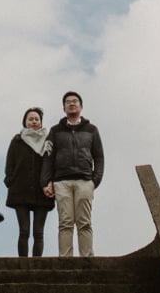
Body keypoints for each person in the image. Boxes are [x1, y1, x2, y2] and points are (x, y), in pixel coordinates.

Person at [40, 91, 104, 257]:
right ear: (64, 108)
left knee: (84, 222)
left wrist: (94, 180)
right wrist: (45, 181)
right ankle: (65, 260)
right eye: (68, 102)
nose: (72, 104)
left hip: (85, 181)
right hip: (61, 182)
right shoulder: (55, 131)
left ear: (81, 106)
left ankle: (87, 259)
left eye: (75, 101)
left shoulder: (92, 130)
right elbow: (48, 157)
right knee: (65, 222)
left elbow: (99, 156)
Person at [4, 106, 55, 257]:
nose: (34, 121)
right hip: (20, 190)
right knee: (24, 231)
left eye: (36, 119)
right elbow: (9, 163)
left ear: (41, 122)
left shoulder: (49, 141)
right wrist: (10, 180)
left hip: (42, 191)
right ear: (25, 122)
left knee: (38, 232)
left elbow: (52, 163)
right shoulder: (17, 140)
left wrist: (50, 182)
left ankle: (37, 263)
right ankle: (23, 263)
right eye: (30, 119)